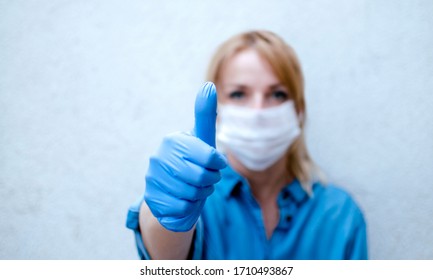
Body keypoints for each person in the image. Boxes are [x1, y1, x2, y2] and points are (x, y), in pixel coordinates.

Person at [126, 30, 368, 260]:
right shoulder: (198, 197)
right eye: (238, 94)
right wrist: (163, 212)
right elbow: (166, 259)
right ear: (216, 110)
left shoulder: (339, 215)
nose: (258, 111)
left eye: (278, 94)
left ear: (299, 111)